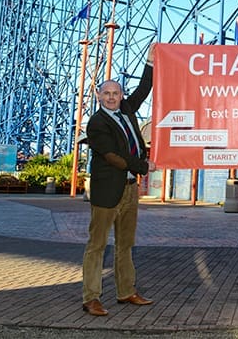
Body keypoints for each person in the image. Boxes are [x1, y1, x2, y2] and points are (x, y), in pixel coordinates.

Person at [81, 44, 157, 316]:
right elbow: (114, 157)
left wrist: (150, 62)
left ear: (120, 95)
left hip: (129, 189)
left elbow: (144, 89)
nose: (112, 97)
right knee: (97, 245)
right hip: (107, 190)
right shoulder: (97, 123)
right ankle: (91, 297)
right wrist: (144, 166)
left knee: (126, 245)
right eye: (107, 94)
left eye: (116, 93)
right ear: (99, 96)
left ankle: (126, 292)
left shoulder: (126, 110)